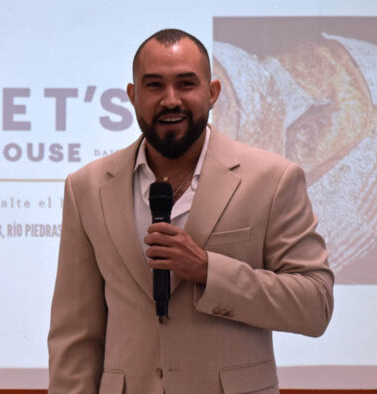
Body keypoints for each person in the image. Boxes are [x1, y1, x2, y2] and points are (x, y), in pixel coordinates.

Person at [48, 28, 334, 394]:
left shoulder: (272, 179)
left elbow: (315, 305)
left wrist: (208, 270)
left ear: (212, 93)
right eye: (154, 86)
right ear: (133, 96)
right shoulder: (86, 187)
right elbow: (75, 333)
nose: (171, 100)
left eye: (186, 84)